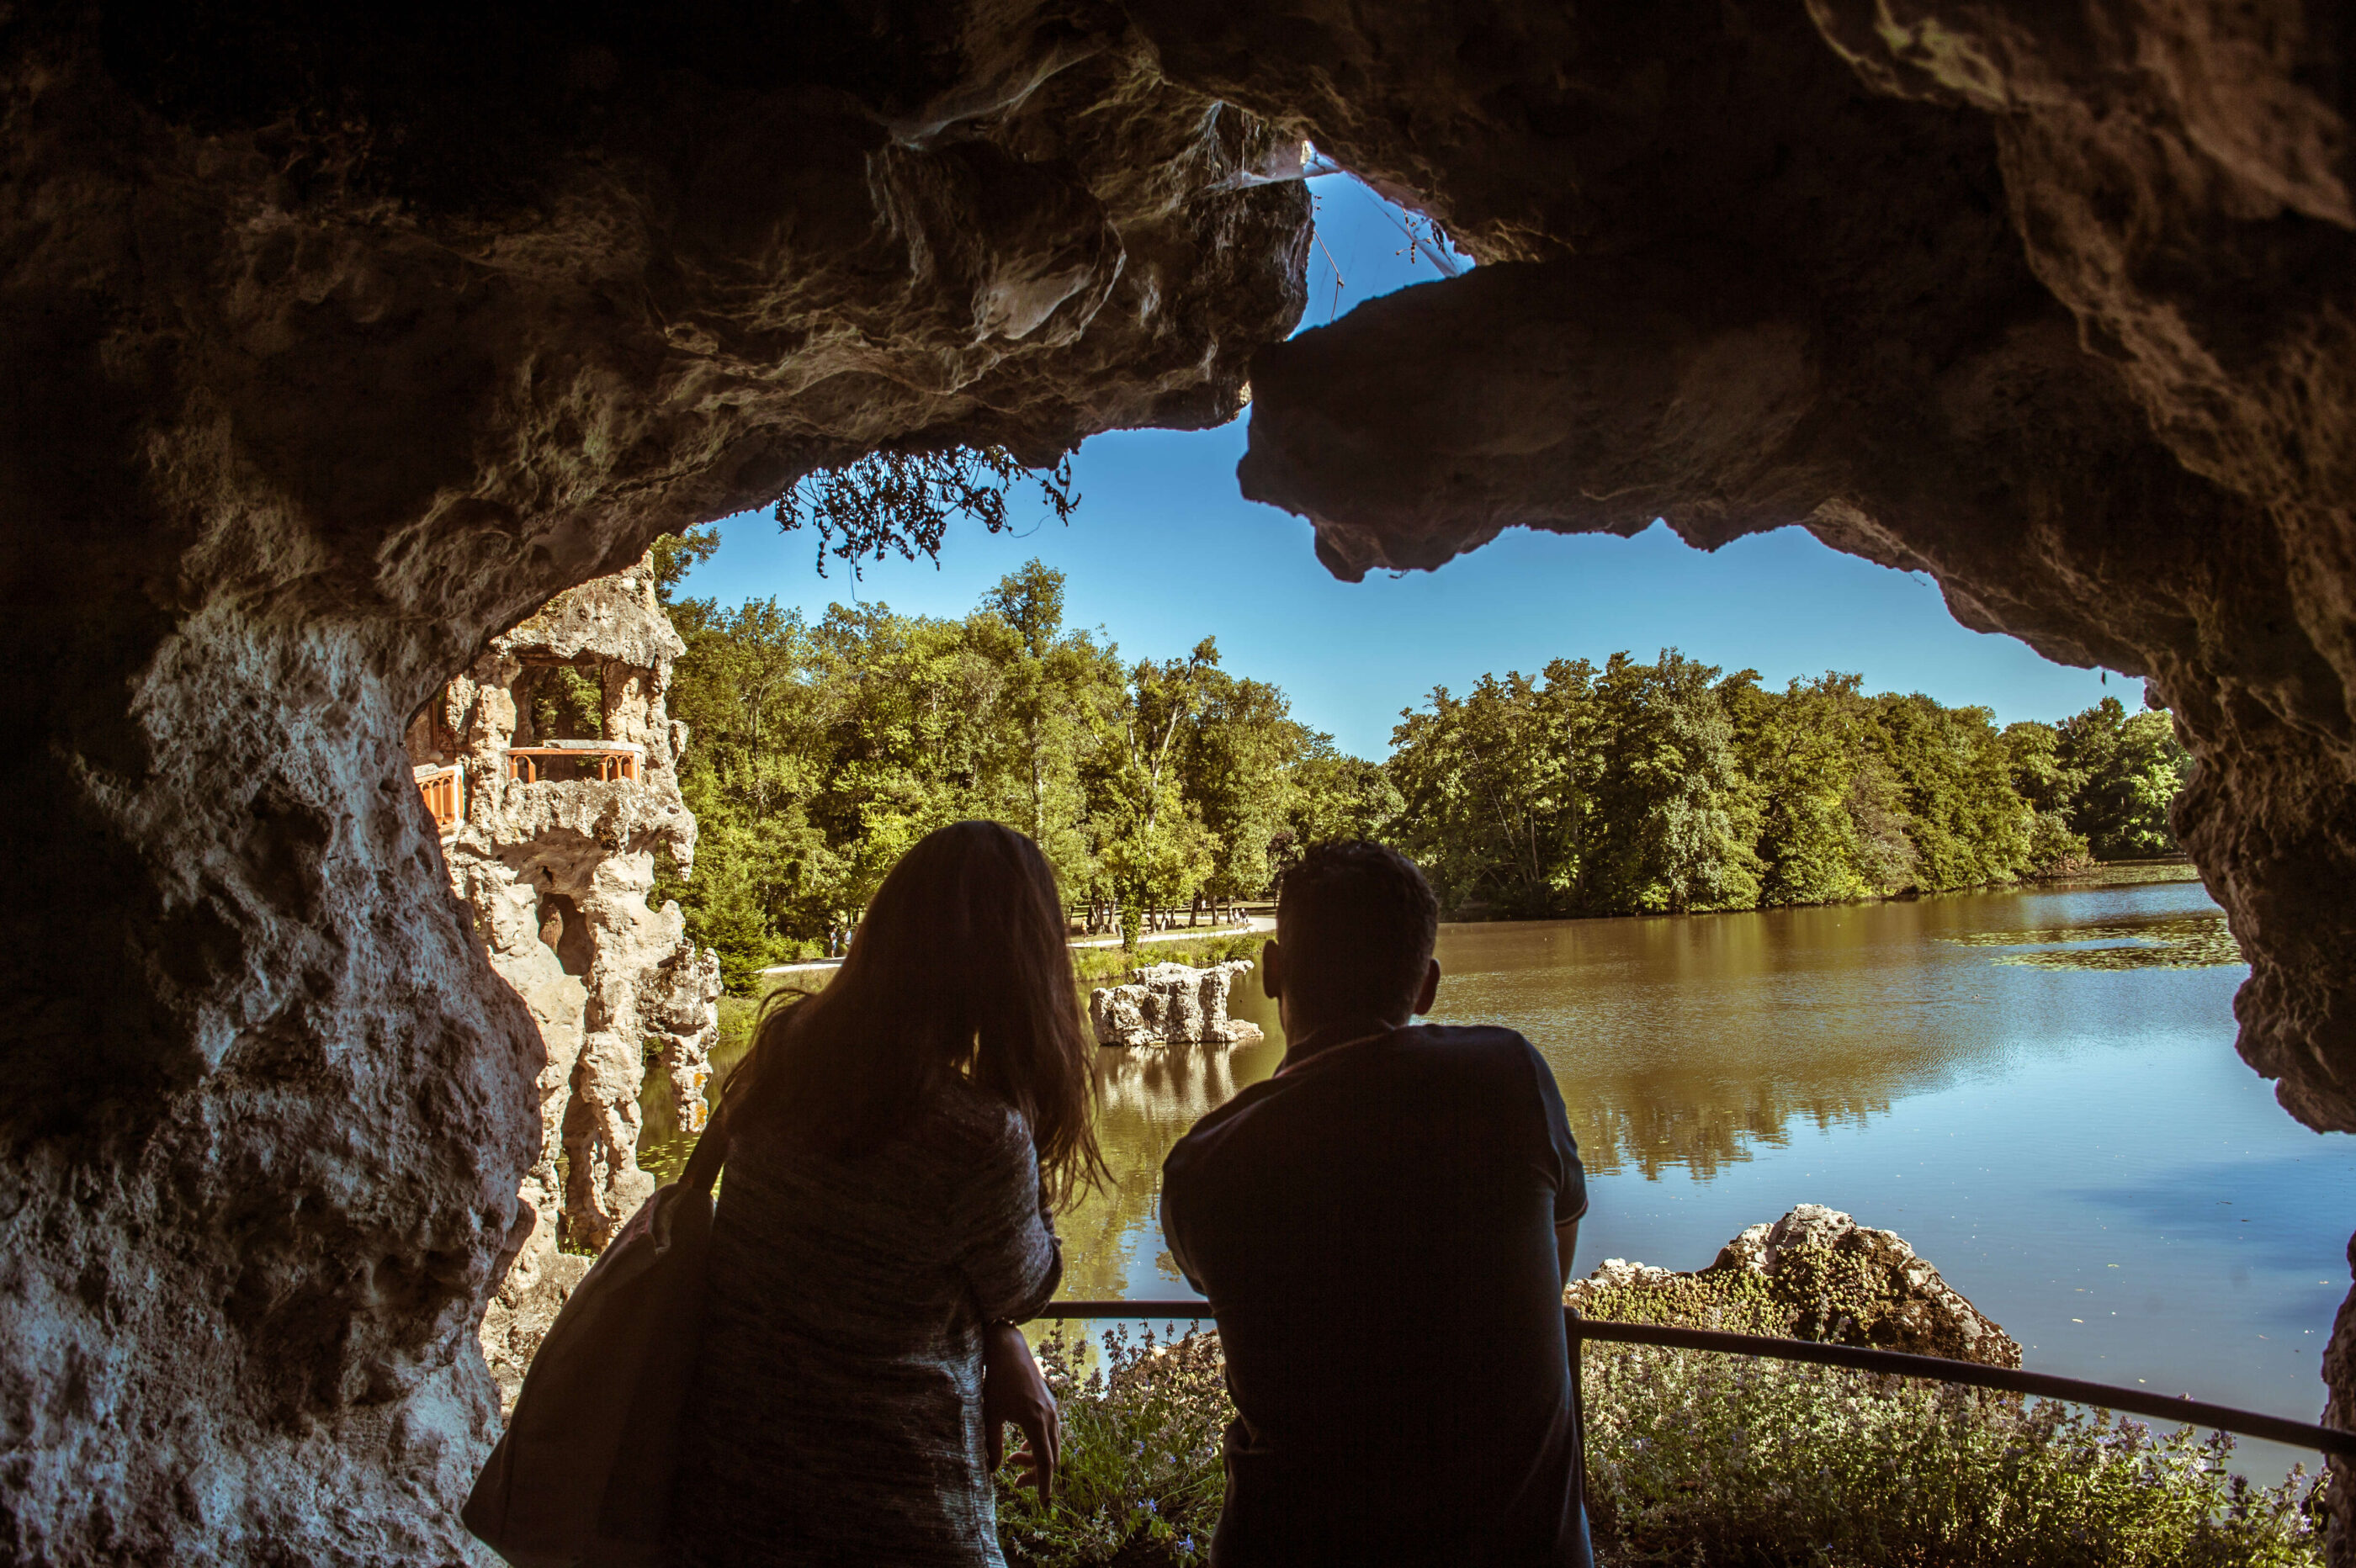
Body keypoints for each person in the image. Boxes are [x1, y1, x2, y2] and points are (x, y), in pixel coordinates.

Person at [673, 821, 1102, 1567]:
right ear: (1020, 968)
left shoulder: (784, 1058)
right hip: (898, 1509)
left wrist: (993, 1334)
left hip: (727, 1499)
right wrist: (1024, 1099)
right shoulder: (973, 1135)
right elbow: (1028, 1284)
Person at [1159, 840, 1592, 1567]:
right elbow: (1554, 1271)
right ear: (1425, 986)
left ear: (1272, 971)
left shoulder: (1205, 1164)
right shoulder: (1507, 1078)